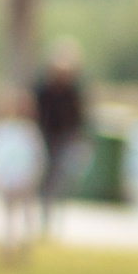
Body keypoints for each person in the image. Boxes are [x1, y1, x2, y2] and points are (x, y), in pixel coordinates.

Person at [31, 41, 85, 234]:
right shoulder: (43, 88)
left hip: (64, 137)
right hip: (45, 136)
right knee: (43, 178)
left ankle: (55, 219)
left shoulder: (73, 91)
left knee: (60, 178)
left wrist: (77, 137)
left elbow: (79, 116)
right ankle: (42, 217)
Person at [0, 91, 38, 263]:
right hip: (7, 177)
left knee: (24, 215)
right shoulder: (3, 129)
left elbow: (37, 158)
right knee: (9, 216)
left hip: (23, 177)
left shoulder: (29, 131)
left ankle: (23, 247)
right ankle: (9, 248)